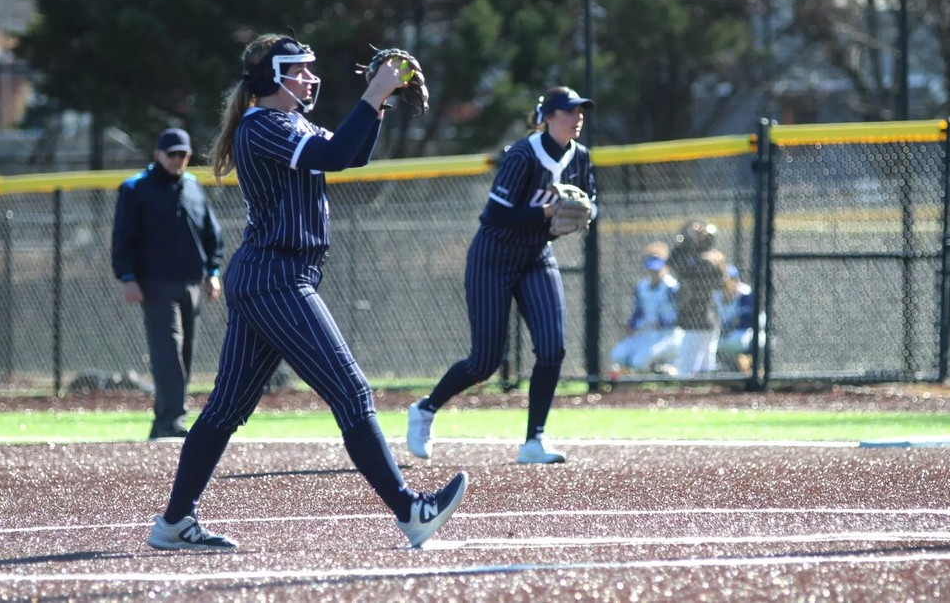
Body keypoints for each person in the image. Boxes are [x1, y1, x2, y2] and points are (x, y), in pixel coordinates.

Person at [146, 33, 467, 551]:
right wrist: (374, 92)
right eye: (299, 70)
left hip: (272, 276)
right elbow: (338, 154)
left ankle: (173, 523)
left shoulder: (287, 121)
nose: (310, 77)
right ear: (273, 76)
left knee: (226, 408)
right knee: (353, 393)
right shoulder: (262, 125)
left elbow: (351, 155)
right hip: (276, 277)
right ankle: (411, 510)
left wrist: (379, 101)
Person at [406, 86, 597, 465]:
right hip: (493, 257)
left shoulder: (581, 156)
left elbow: (589, 203)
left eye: (580, 112)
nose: (577, 118)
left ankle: (533, 442)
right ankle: (426, 409)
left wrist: (581, 214)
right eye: (568, 111)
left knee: (553, 347)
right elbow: (495, 215)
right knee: (484, 362)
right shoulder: (523, 154)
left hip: (536, 256)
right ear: (547, 117)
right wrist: (547, 213)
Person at [112, 128, 224, 440]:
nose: (177, 159)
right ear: (158, 154)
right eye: (171, 153)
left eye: (182, 154)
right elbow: (123, 238)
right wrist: (128, 278)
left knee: (184, 353)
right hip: (154, 284)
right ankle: (173, 421)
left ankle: (162, 422)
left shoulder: (192, 186)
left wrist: (213, 271)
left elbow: (210, 234)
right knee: (168, 350)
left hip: (190, 282)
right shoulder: (136, 188)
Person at [609, 242, 682, 375]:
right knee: (617, 354)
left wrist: (663, 322)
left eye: (657, 269)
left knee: (639, 361)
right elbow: (639, 312)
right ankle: (658, 370)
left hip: (669, 335)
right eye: (651, 269)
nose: (654, 272)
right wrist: (632, 326)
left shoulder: (671, 287)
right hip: (649, 334)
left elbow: (682, 315)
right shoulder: (642, 287)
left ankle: (666, 369)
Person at [667, 220, 726, 375]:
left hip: (703, 318)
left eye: (701, 234)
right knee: (701, 367)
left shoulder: (710, 260)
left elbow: (687, 268)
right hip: (693, 319)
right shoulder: (689, 258)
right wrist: (688, 238)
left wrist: (693, 240)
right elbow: (673, 261)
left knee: (689, 369)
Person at [714, 264, 760, 373]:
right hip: (720, 333)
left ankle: (749, 368)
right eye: (727, 279)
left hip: (742, 332)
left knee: (740, 340)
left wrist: (729, 327)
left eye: (733, 279)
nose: (729, 283)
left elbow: (746, 320)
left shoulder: (745, 293)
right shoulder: (716, 294)